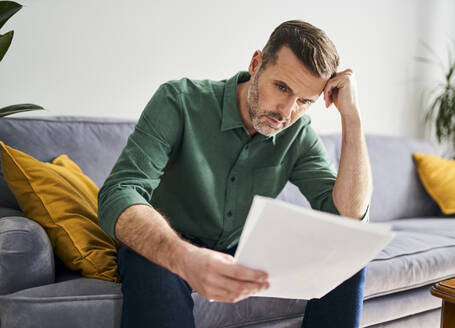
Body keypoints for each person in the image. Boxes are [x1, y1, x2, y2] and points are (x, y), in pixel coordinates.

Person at [98, 19, 373, 328]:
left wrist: (352, 117)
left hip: (245, 247)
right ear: (256, 64)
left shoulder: (298, 134)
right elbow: (120, 191)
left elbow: (348, 217)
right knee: (151, 263)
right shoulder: (179, 101)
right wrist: (184, 257)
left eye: (304, 101)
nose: (286, 111)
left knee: (346, 255)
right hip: (171, 241)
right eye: (281, 87)